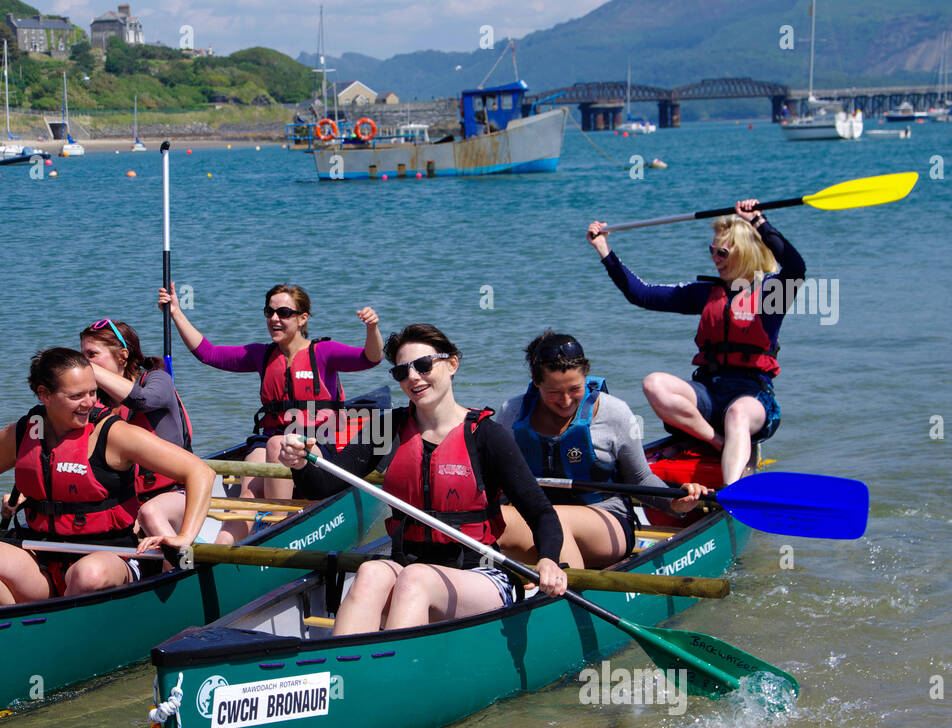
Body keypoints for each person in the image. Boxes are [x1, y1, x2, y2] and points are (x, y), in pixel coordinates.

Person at [280, 323, 567, 636]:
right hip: (409, 568)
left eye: (423, 365)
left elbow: (541, 514)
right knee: (371, 571)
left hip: (480, 574)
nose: (413, 377)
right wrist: (301, 463)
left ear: (452, 363)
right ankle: (342, 671)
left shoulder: (487, 435)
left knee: (416, 578)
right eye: (402, 372)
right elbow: (321, 486)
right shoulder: (388, 428)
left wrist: (549, 560)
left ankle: (393, 670)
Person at [0, 348, 214, 607]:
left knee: (88, 574)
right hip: (41, 554)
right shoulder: (20, 434)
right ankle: (17, 630)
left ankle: (61, 636)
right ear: (44, 394)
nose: (88, 403)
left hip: (111, 557)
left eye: (92, 392)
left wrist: (184, 537)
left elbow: (199, 471)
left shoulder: (115, 435)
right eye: (76, 396)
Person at [588, 198, 805, 486]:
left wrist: (758, 222)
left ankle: (732, 492)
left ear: (745, 252)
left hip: (752, 396)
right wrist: (604, 250)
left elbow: (796, 267)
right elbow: (640, 293)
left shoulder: (772, 293)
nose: (715, 258)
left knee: (738, 413)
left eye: (723, 252)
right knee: (654, 383)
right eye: (712, 250)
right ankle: (718, 442)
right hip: (709, 393)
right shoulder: (704, 293)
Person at [158, 282, 382, 507]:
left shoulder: (324, 352)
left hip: (317, 440)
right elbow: (209, 354)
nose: (274, 318)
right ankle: (251, 531)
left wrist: (372, 328)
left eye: (283, 313)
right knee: (249, 487)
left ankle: (279, 520)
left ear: (302, 318)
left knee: (278, 445)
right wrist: (176, 312)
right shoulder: (261, 355)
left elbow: (370, 358)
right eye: (269, 312)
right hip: (271, 437)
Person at [496, 331, 706, 570]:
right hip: (539, 522)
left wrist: (674, 503)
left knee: (552, 519)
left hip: (606, 522)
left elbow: (640, 479)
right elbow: (501, 482)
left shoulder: (615, 413)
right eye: (554, 392)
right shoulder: (511, 413)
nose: (565, 401)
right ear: (536, 380)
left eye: (575, 389)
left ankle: (565, 593)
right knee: (493, 517)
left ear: (586, 376)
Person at [77, 318, 212, 543]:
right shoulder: (93, 403)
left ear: (123, 355)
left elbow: (141, 401)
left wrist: (87, 370)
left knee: (150, 512)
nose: (84, 363)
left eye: (91, 355)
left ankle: (180, 564)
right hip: (128, 500)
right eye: (81, 357)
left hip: (177, 495)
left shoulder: (159, 380)